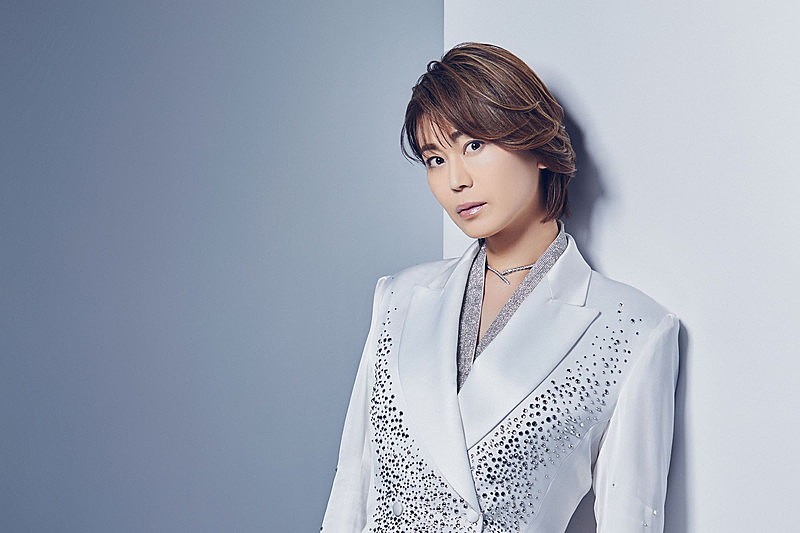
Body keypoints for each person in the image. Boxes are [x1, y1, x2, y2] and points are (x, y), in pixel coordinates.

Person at [321, 42, 680, 533]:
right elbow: (351, 491)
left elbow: (630, 520)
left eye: (473, 145)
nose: (455, 180)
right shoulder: (399, 298)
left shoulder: (632, 329)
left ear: (536, 143)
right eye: (434, 159)